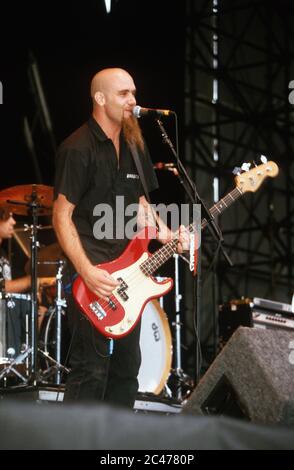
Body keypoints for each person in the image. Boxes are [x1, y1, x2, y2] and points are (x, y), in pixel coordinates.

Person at [53, 67, 189, 408]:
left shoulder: (135, 144)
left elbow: (143, 205)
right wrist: (85, 270)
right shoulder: (77, 147)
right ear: (100, 98)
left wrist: (170, 235)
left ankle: (115, 447)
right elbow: (61, 215)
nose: (133, 100)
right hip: (91, 277)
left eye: (133, 93)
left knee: (127, 370)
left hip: (130, 275)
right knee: (90, 369)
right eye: (123, 94)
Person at [0, 210, 55, 356]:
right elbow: (2, 287)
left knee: (39, 310)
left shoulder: (3, 254)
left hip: (5, 316)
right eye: (8, 217)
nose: (13, 222)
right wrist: (35, 280)